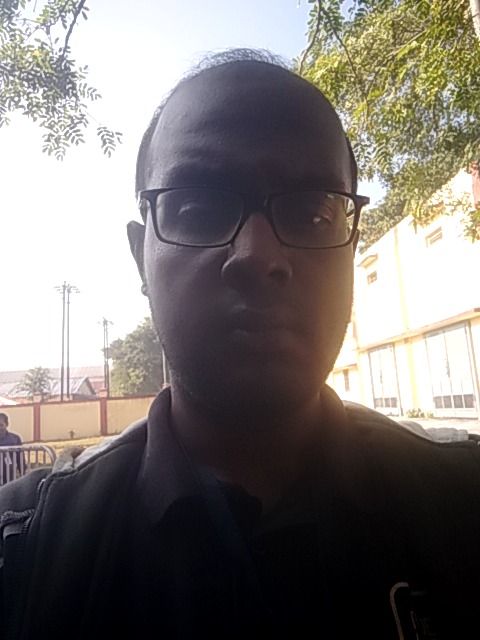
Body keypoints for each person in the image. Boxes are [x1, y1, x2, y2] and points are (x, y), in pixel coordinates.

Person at [1, 49, 480, 639]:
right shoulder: (25, 549)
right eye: (199, 208)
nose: (258, 256)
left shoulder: (463, 503)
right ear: (140, 256)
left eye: (311, 214)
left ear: (352, 246)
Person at [0, 412, 24, 484]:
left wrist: (23, 475)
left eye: (1, 425)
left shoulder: (15, 439)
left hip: (9, 477)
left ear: (7, 424)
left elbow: (20, 460)